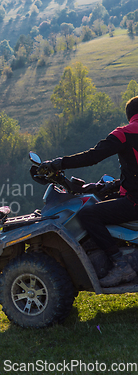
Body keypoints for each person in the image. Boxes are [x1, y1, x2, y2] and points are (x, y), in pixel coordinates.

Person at [40, 96, 138, 287]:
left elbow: (93, 156)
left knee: (88, 214)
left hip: (135, 202)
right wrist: (116, 185)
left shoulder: (124, 133)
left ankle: (120, 264)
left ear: (129, 116)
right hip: (132, 196)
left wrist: (60, 163)